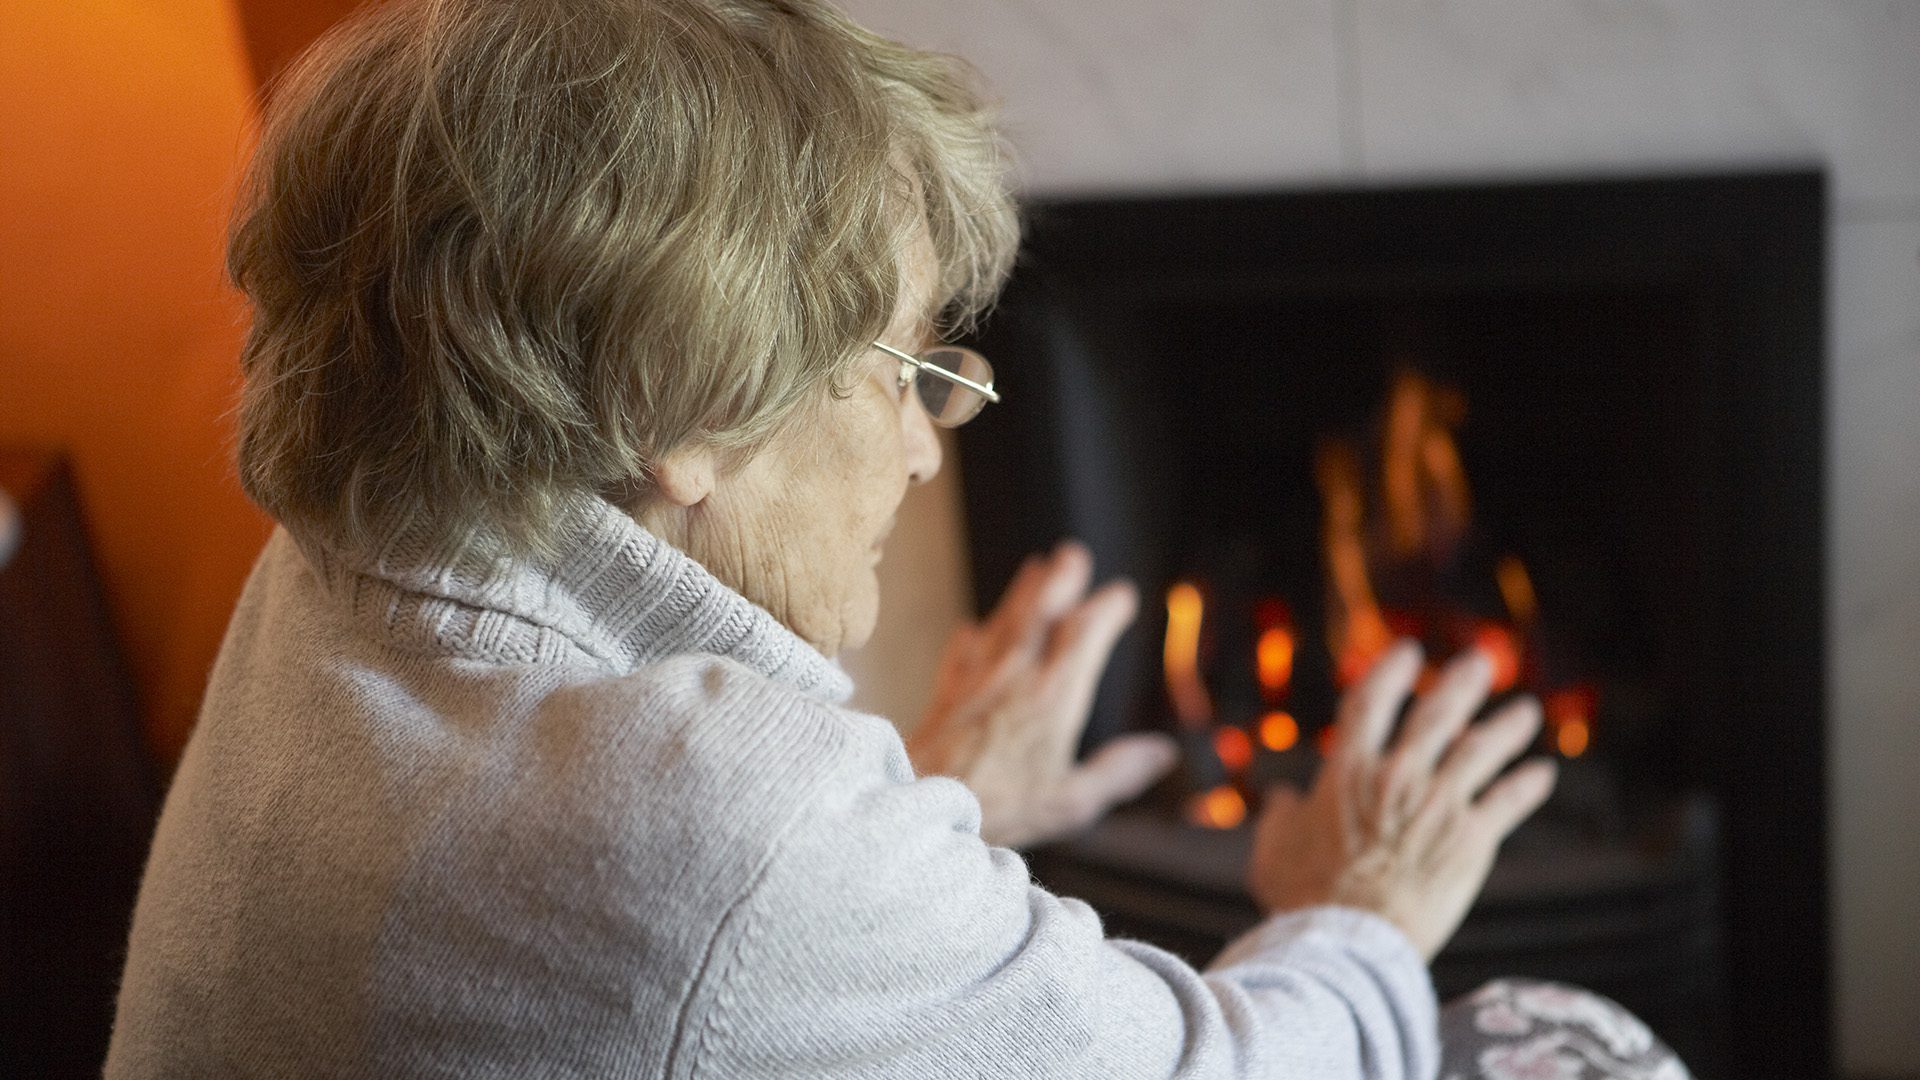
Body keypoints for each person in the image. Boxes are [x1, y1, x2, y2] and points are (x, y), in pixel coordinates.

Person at [107, 1, 1689, 1076]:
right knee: (1565, 1036)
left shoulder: (341, 568)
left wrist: (925, 810)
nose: (939, 442)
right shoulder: (721, 817)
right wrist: (1356, 900)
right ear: (684, 409)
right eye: (915, 369)